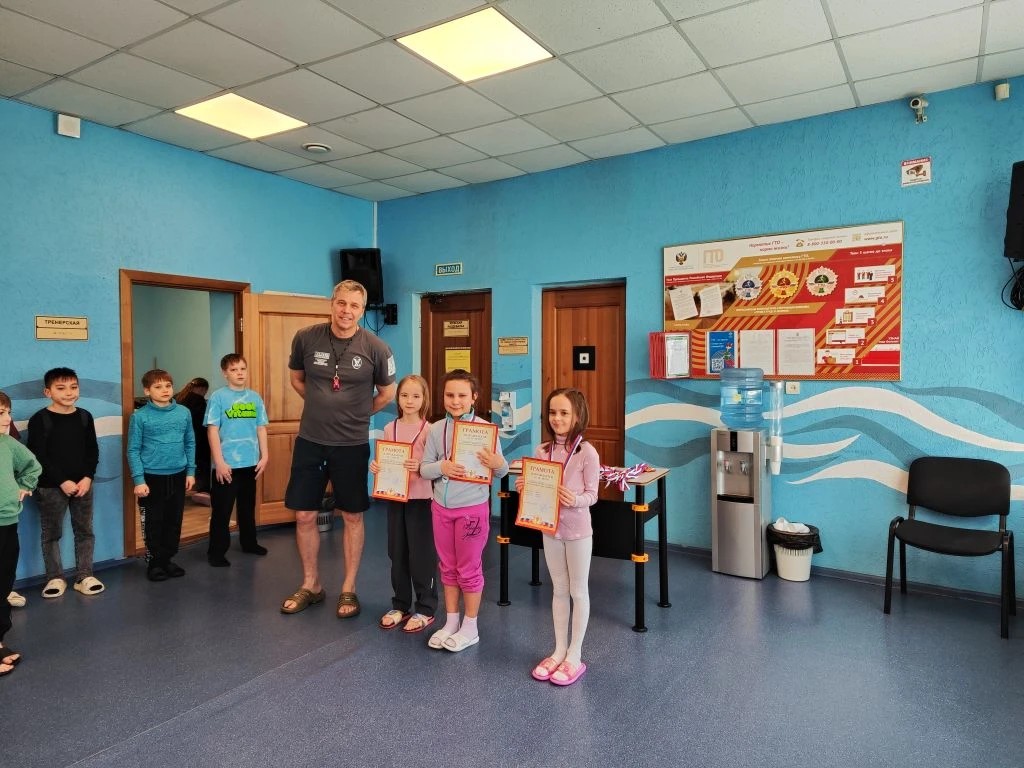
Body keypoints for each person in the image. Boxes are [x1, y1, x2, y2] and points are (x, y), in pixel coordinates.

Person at [280, 280, 396, 618]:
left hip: (351, 445)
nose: (347, 311)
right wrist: (320, 405)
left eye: (354, 306)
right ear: (332, 303)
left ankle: (349, 588)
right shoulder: (306, 337)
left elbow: (387, 393)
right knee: (304, 514)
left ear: (362, 310)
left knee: (352, 516)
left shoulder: (376, 347)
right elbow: (297, 379)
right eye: (341, 303)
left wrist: (357, 414)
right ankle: (311, 584)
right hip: (311, 441)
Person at [420, 369, 508, 652]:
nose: (455, 401)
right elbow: (424, 469)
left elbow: (503, 470)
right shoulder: (436, 429)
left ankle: (470, 627)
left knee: (468, 569)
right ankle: (451, 621)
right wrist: (441, 467)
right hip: (441, 509)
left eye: (461, 395)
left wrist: (496, 462)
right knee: (447, 567)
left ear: (474, 397)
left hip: (472, 511)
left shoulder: (485, 430)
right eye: (450, 395)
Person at [516, 388, 599, 686]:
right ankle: (558, 650)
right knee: (559, 589)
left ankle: (575, 654)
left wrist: (574, 499)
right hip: (549, 529)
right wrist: (525, 487)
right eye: (553, 412)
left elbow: (593, 495)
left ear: (577, 416)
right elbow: (538, 488)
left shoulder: (587, 452)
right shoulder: (542, 451)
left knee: (578, 591)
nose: (557, 418)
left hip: (578, 532)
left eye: (564, 413)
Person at [27, 367, 103, 598]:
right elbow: (38, 455)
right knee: (51, 533)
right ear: (47, 392)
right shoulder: (40, 419)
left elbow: (92, 450)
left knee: (85, 530)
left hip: (83, 485)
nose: (69, 392)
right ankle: (55, 578)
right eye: (61, 388)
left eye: (73, 387)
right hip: (51, 488)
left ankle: (84, 575)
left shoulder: (85, 416)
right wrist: (62, 481)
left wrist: (88, 477)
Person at [369, 374, 436, 633]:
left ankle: (426, 607)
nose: (410, 401)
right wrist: (377, 466)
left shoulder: (430, 430)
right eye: (405, 395)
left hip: (421, 500)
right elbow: (385, 459)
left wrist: (421, 466)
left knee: (421, 555)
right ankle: (400, 604)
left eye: (416, 396)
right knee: (396, 552)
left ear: (424, 399)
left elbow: (434, 466)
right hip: (395, 497)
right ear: (398, 399)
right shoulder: (390, 428)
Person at [127, 369, 195, 582]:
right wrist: (139, 480)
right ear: (147, 391)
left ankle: (167, 559)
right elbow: (133, 450)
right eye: (158, 387)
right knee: (154, 521)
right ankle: (155, 562)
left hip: (178, 474)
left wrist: (191, 471)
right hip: (152, 477)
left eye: (168, 386)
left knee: (174, 520)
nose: (165, 390)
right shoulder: (140, 416)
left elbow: (190, 442)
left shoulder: (184, 412)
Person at [204, 354, 269, 567]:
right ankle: (216, 552)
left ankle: (249, 543)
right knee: (222, 511)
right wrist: (219, 462)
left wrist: (265, 456)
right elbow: (212, 431)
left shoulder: (255, 398)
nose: (239, 373)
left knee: (247, 507)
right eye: (234, 370)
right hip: (227, 465)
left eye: (242, 368)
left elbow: (261, 428)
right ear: (225, 373)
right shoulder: (218, 397)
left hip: (250, 463)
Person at [0, 390, 42, 676]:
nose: (7, 419)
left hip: (6, 522)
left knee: (3, 584)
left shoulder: (8, 444)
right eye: (0, 414)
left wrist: (25, 486)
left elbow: (32, 466)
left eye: (8, 412)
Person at [175, 377, 210, 493]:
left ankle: (182, 489)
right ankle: (202, 490)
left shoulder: (177, 397)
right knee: (201, 463)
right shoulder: (198, 400)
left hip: (179, 437)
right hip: (197, 437)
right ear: (202, 389)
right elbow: (203, 421)